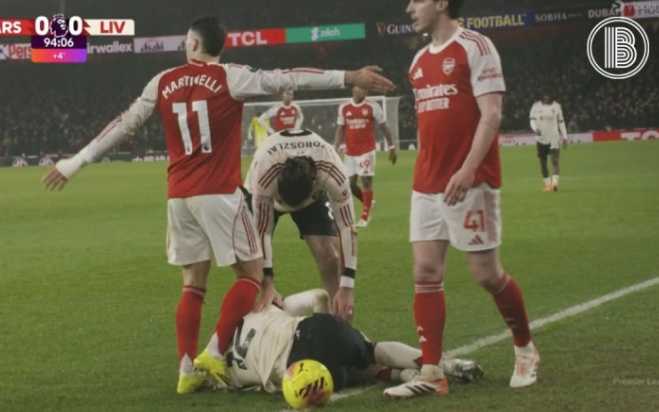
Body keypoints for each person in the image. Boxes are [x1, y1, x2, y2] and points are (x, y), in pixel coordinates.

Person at [41, 16, 395, 395]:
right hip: (219, 193)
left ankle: (185, 369)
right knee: (252, 276)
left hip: (178, 197)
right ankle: (212, 352)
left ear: (193, 44)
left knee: (193, 284)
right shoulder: (231, 77)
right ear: (217, 46)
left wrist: (74, 162)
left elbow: (123, 124)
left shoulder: (162, 81)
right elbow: (288, 78)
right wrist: (348, 76)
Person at [383, 0, 539, 399]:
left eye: (417, 0)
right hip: (427, 182)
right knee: (425, 272)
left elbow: (492, 114)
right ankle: (432, 371)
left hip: (471, 181)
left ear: (440, 3)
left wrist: (468, 169)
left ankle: (525, 348)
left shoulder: (476, 46)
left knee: (487, 274)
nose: (409, 7)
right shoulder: (418, 61)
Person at [221, 289, 484, 393]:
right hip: (310, 334)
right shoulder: (263, 309)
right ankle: (445, 364)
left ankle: (403, 375)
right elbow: (320, 296)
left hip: (297, 377)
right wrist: (329, 323)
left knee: (355, 370)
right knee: (371, 350)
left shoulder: (232, 373)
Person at [244, 128, 356, 320]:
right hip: (266, 196)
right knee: (251, 267)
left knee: (331, 257)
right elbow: (263, 232)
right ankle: (255, 324)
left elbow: (347, 227)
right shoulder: (264, 172)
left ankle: (339, 324)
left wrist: (347, 287)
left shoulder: (332, 169)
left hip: (310, 200)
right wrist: (267, 281)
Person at [334, 86, 397, 227]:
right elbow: (340, 129)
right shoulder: (344, 107)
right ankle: (368, 202)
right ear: (354, 89)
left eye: (365, 89)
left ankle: (365, 216)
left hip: (366, 151)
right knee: (349, 185)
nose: (363, 91)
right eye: (360, 88)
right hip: (350, 152)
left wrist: (391, 147)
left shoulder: (373, 107)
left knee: (366, 182)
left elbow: (384, 127)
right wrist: (336, 147)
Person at [530, 94, 568, 192]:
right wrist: (535, 129)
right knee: (543, 163)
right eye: (545, 96)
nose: (547, 97)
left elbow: (561, 122)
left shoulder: (557, 106)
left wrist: (565, 136)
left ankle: (554, 183)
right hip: (541, 139)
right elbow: (532, 120)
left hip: (554, 138)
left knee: (555, 161)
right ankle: (547, 185)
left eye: (548, 95)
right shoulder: (536, 106)